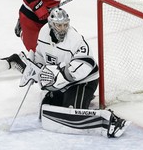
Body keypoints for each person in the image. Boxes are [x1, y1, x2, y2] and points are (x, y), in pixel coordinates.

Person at [11, 8, 130, 138]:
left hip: (83, 80)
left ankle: (109, 121)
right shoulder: (44, 32)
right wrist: (36, 68)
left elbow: (86, 65)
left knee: (71, 112)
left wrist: (59, 76)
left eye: (65, 25)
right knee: (45, 110)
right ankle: (78, 98)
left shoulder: (75, 40)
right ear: (51, 24)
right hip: (61, 80)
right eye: (59, 25)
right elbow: (40, 54)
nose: (63, 29)